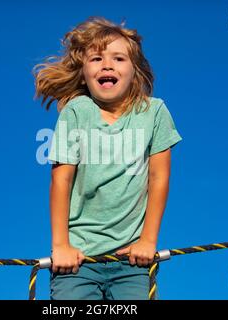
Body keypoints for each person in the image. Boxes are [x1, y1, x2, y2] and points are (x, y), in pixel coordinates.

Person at [33, 16, 183, 300]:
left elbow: (159, 177)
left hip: (131, 259)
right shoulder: (76, 112)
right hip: (79, 257)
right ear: (83, 72)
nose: (107, 65)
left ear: (135, 71)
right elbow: (61, 179)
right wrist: (61, 246)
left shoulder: (155, 112)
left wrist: (148, 240)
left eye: (118, 58)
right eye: (96, 59)